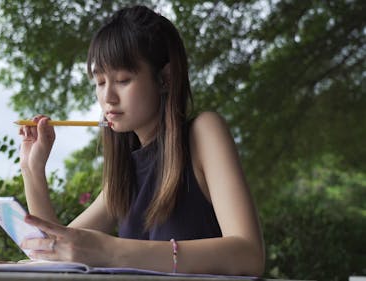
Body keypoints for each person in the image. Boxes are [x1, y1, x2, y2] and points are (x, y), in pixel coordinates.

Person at [18, 5, 265, 276]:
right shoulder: (124, 175)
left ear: (165, 79)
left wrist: (112, 251)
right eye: (100, 82)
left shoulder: (203, 133)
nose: (108, 97)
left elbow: (248, 254)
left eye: (123, 80)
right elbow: (53, 251)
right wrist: (32, 169)